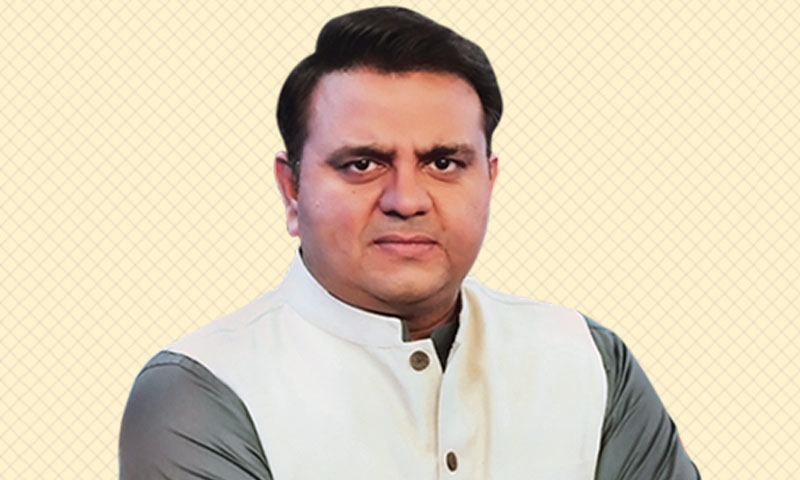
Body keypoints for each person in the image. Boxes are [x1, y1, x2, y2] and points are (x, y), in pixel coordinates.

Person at [119, 6, 700, 479]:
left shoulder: (587, 360)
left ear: (489, 180)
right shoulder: (204, 390)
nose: (406, 199)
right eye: (363, 164)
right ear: (291, 189)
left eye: (443, 163)